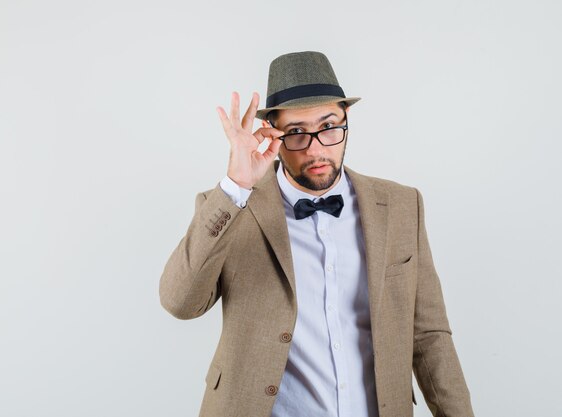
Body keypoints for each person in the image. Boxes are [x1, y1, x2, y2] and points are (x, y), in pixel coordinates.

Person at [159, 51, 475, 417]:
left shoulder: (402, 206)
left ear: (346, 119)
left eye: (328, 127)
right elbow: (179, 302)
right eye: (295, 133)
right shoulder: (233, 208)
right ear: (271, 134)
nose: (315, 149)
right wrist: (237, 185)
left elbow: (429, 336)